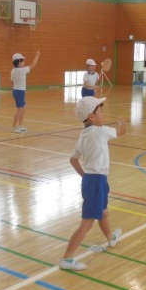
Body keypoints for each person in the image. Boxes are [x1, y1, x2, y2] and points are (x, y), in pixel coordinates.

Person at [59, 96, 125, 271]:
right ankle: (66, 258)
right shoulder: (101, 131)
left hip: (93, 179)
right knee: (86, 224)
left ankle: (110, 238)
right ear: (91, 117)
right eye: (101, 111)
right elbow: (122, 132)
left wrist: (85, 176)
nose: (103, 114)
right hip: (96, 181)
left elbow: (73, 160)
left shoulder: (82, 136)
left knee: (103, 213)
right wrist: (122, 124)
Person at [11, 50, 41, 133]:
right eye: (23, 61)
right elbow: (33, 65)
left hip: (17, 91)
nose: (24, 62)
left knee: (23, 109)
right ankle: (14, 127)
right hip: (19, 92)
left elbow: (12, 81)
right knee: (19, 110)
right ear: (19, 62)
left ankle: (20, 126)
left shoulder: (13, 71)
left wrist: (13, 90)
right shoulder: (22, 70)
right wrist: (37, 56)